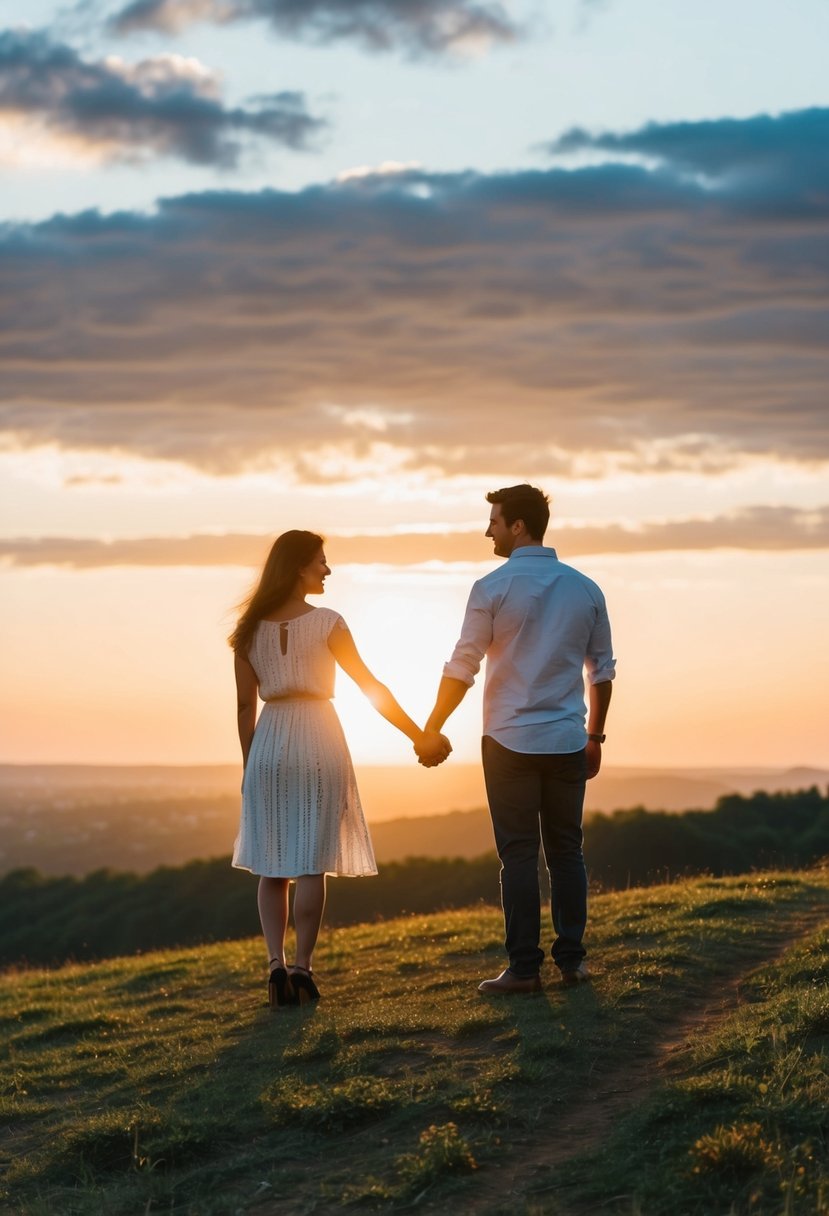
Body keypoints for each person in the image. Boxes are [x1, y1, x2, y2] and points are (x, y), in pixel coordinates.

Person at [229, 530, 450, 1009]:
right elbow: (371, 686)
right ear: (298, 568)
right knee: (312, 860)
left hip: (268, 741)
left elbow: (245, 709)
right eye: (321, 563)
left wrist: (251, 767)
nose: (327, 571)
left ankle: (274, 965)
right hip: (318, 737)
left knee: (272, 863)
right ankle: (303, 969)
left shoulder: (247, 632)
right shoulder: (328, 622)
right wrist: (417, 735)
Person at [421, 485, 615, 994]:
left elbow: (463, 665)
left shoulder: (491, 587)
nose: (488, 530)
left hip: (508, 741)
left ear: (518, 527)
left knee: (519, 856)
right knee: (568, 851)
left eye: (494, 521)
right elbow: (602, 672)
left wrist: (434, 724)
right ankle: (572, 963)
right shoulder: (585, 588)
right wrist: (594, 734)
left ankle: (524, 971)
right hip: (569, 739)